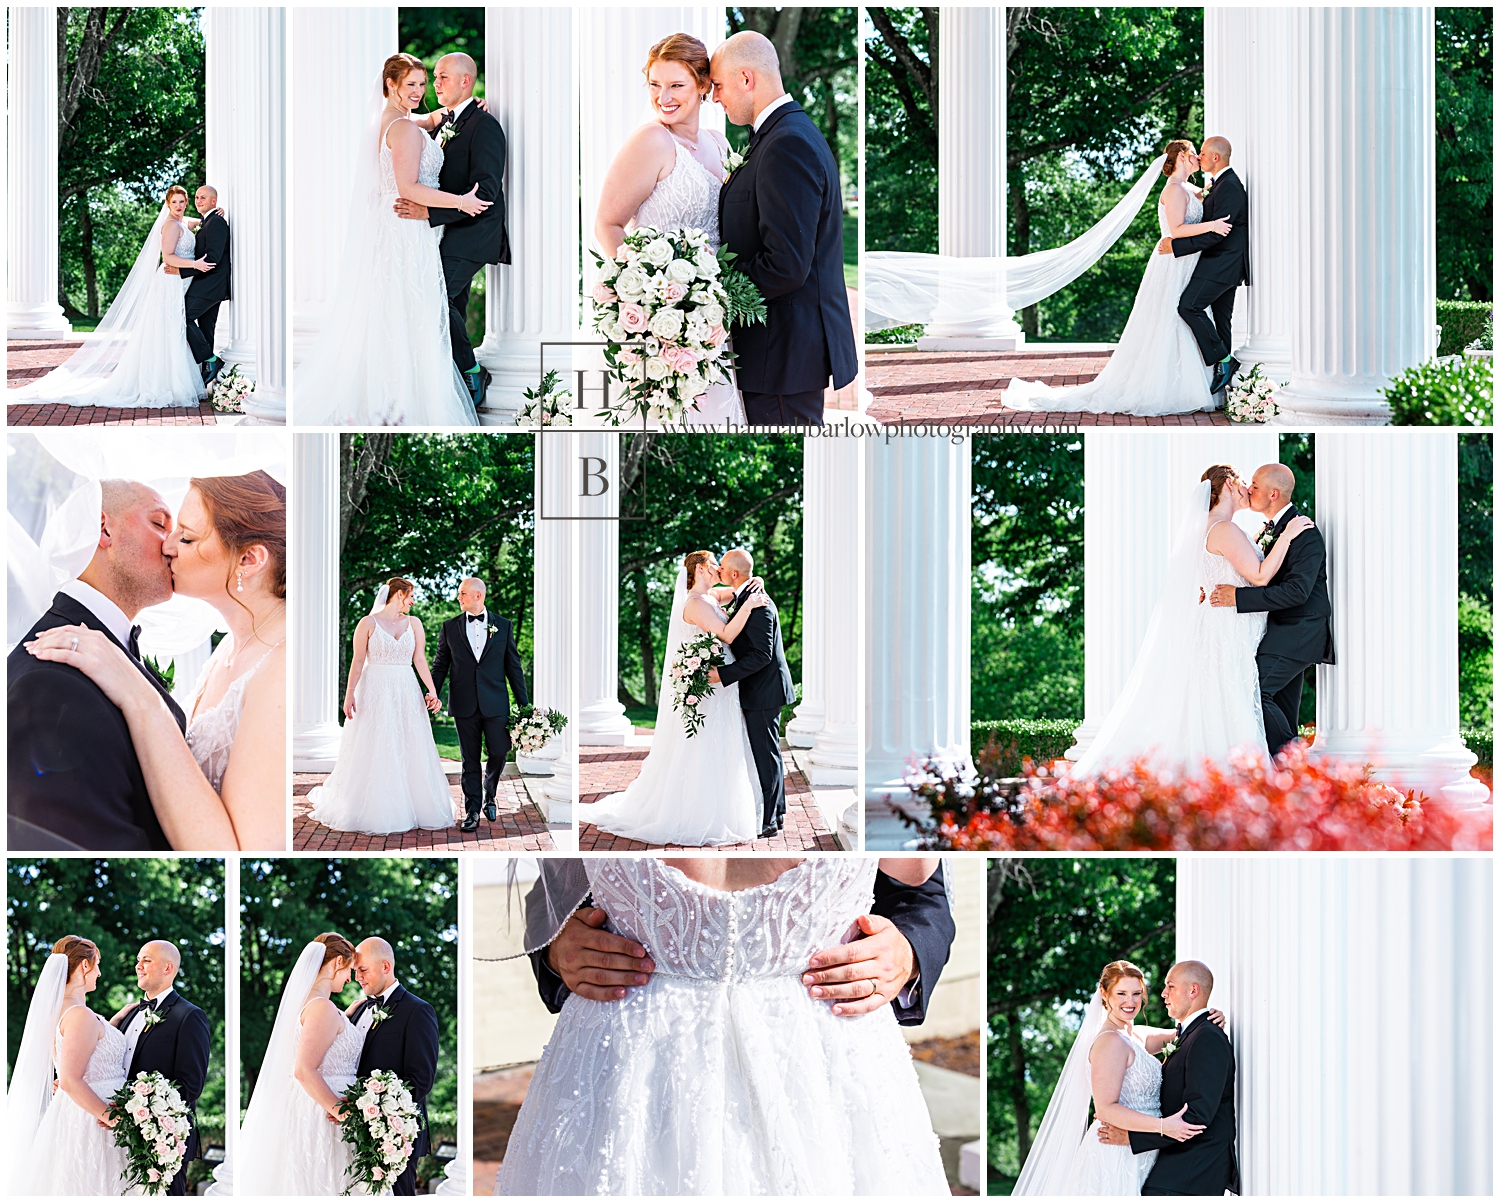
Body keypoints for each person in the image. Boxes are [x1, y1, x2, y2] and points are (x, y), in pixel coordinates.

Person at [499, 858, 954, 1194]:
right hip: (626, 1069)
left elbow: (922, 894)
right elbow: (557, 890)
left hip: (825, 1067)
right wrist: (558, 946)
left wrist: (909, 949)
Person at [19, 472, 288, 850]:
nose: (170, 546)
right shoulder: (228, 651)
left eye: (188, 536)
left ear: (248, 558)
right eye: (164, 526)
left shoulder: (283, 666)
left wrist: (141, 698)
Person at [1069, 464, 1315, 778]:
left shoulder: (1209, 528)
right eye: (1244, 484)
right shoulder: (1224, 529)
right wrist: (1288, 535)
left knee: (1215, 702)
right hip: (1228, 630)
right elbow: (1259, 576)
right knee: (1229, 700)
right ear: (1228, 485)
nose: (1248, 491)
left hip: (1220, 624)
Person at [294, 53, 489, 425]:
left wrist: (465, 107)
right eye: (410, 85)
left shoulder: (393, 120)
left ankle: (393, 396)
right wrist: (461, 202)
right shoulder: (401, 128)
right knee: (409, 311)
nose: (419, 91)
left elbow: (430, 119)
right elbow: (409, 187)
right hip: (405, 228)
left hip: (394, 224)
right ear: (391, 85)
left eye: (422, 83)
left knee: (395, 310)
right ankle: (403, 399)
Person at [594, 33, 744, 424]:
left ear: (703, 85)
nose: (664, 97)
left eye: (676, 85)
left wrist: (705, 309)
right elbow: (607, 224)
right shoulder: (652, 140)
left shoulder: (719, 143)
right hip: (666, 328)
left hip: (713, 323)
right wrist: (649, 301)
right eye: (655, 85)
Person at [710, 31, 857, 425]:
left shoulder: (787, 143)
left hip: (782, 360)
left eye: (719, 85)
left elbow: (786, 264)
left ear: (746, 79)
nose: (715, 97)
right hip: (778, 358)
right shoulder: (779, 135)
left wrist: (707, 291)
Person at [578, 551, 769, 846]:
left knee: (726, 745)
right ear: (703, 570)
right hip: (711, 688)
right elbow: (728, 635)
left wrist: (755, 580)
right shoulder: (694, 604)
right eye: (715, 564)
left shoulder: (711, 598)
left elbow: (736, 590)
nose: (719, 568)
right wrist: (752, 605)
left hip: (724, 687)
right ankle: (698, 814)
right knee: (706, 746)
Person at [10, 186, 212, 408]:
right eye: (175, 202)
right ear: (167, 204)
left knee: (173, 329)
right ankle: (164, 382)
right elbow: (168, 257)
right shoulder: (171, 225)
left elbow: (198, 221)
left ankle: (173, 379)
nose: (179, 206)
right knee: (169, 329)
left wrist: (214, 212)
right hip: (169, 284)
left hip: (180, 282)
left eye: (182, 201)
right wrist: (195, 264)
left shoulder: (184, 222)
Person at [308, 577, 457, 834]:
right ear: (399, 594)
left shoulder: (415, 624)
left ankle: (415, 804)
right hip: (374, 687)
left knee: (410, 741)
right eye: (411, 595)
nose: (413, 601)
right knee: (376, 742)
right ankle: (376, 807)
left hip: (406, 688)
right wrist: (349, 695)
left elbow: (420, 659)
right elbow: (357, 661)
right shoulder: (367, 623)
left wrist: (432, 690)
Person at [238, 934, 366, 1194]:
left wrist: (346, 1017)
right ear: (337, 962)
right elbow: (304, 1070)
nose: (350, 978)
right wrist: (343, 1113)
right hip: (326, 1115)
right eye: (349, 970)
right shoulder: (322, 1009)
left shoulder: (318, 1007)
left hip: (316, 1106)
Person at [9, 936, 129, 1195]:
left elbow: (87, 1052)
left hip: (74, 1114)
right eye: (97, 965)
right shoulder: (79, 1015)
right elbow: (70, 1080)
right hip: (93, 1122)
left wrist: (116, 1020)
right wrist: (113, 1117)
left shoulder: (61, 1010)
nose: (99, 973)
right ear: (85, 966)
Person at [111, 941, 212, 1197]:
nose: (138, 966)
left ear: (168, 967)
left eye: (146, 960)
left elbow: (190, 1085)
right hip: (117, 1138)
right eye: (138, 960)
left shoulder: (190, 1016)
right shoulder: (128, 1015)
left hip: (163, 1142)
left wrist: (149, 1116)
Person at [429, 577, 529, 832]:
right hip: (463, 704)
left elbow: (513, 667)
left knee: (499, 751)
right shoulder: (449, 627)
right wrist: (431, 692)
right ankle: (473, 810)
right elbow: (440, 665)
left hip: (496, 703)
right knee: (469, 760)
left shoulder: (503, 626)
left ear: (478, 596)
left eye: (462, 593)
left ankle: (490, 792)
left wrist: (524, 706)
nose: (458, 597)